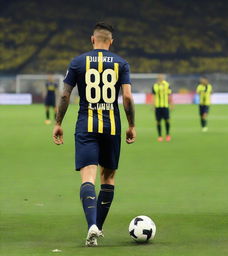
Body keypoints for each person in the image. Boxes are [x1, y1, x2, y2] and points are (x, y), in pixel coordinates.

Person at [52, 22, 136, 247]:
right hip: (112, 127)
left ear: (92, 40)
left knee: (87, 177)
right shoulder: (121, 63)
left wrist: (58, 123)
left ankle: (91, 226)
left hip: (85, 126)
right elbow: (127, 98)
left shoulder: (78, 62)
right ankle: (97, 227)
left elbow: (64, 96)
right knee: (108, 178)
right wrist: (131, 124)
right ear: (111, 41)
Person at [152, 74, 173, 142]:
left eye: (161, 77)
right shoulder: (154, 86)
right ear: (157, 78)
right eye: (159, 77)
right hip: (158, 107)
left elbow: (169, 95)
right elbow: (153, 96)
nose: (160, 78)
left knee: (167, 120)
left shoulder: (167, 85)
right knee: (158, 122)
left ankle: (167, 134)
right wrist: (153, 105)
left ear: (163, 78)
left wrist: (171, 104)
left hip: (165, 106)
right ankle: (160, 136)